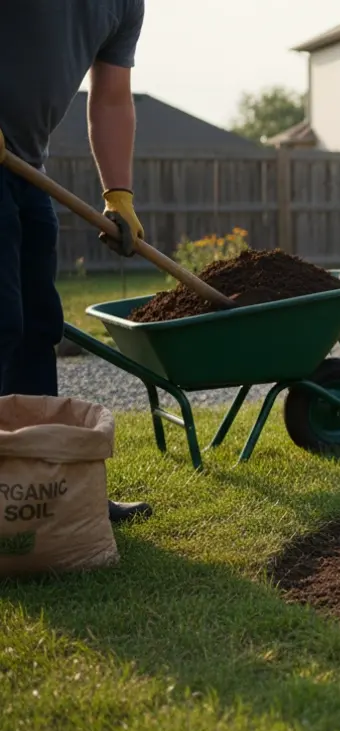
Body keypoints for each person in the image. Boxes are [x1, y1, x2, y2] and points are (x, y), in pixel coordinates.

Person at [0, 1, 153, 524]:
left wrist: (119, 193)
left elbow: (110, 99)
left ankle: (48, 488)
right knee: (2, 320)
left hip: (23, 166)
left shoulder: (123, 5)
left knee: (38, 328)